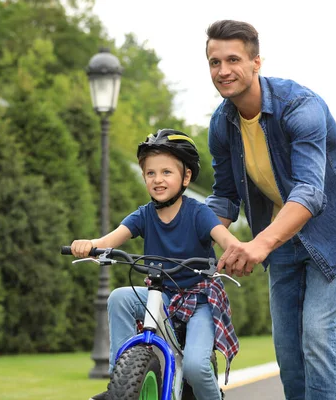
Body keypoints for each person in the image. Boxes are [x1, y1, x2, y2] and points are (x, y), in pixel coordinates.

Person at [203, 20, 336, 400]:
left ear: (256, 62)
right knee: (288, 352)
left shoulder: (301, 106)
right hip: (279, 236)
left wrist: (259, 245)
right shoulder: (221, 124)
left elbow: (310, 192)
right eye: (214, 62)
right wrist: (194, 238)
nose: (223, 71)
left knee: (316, 336)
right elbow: (225, 197)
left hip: (332, 229)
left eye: (233, 59)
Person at [70, 129, 240, 400]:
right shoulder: (144, 215)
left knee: (196, 367)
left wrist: (237, 253)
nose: (158, 180)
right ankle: (121, 379)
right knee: (120, 298)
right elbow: (109, 240)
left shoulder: (199, 213)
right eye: (151, 173)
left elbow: (227, 240)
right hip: (160, 295)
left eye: (166, 172)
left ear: (186, 177)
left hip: (199, 300)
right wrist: (90, 245)